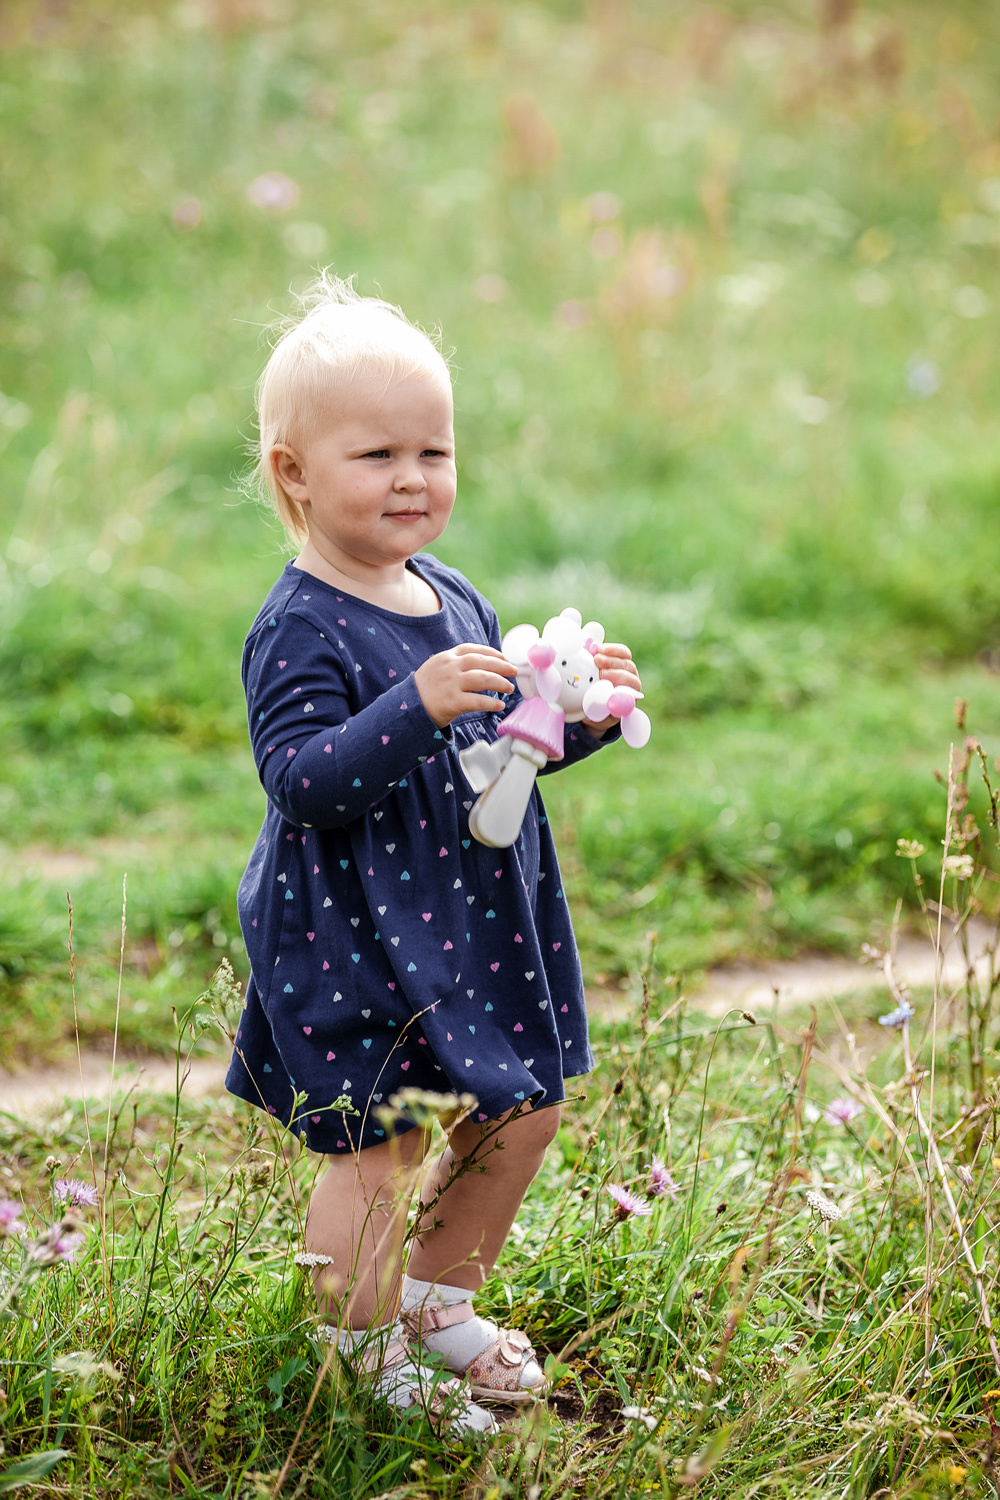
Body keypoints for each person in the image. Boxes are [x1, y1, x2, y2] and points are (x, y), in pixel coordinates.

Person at [226, 273, 643, 1431]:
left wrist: (582, 724)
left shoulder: (450, 596)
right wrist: (409, 705)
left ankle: (438, 1305)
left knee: (523, 1110)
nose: (413, 479)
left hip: (467, 916)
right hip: (355, 927)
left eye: (434, 452)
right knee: (383, 1139)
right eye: (376, 457)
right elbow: (302, 784)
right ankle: (354, 1352)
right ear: (294, 473)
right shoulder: (299, 624)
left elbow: (492, 760)